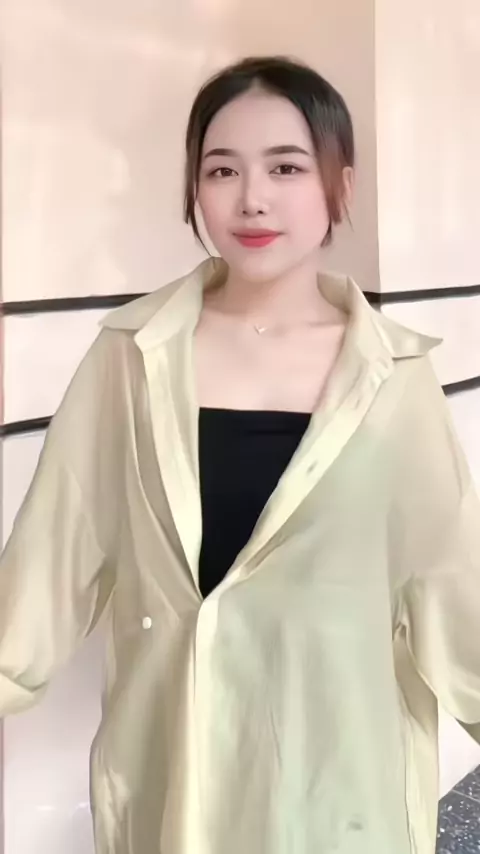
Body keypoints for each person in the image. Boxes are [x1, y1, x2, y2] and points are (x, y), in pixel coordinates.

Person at [0, 55, 479, 854]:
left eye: (286, 167)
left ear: (340, 185)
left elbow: (452, 581)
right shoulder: (133, 356)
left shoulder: (393, 374)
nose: (252, 197)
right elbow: (51, 559)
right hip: (176, 778)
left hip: (339, 782)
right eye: (222, 169)